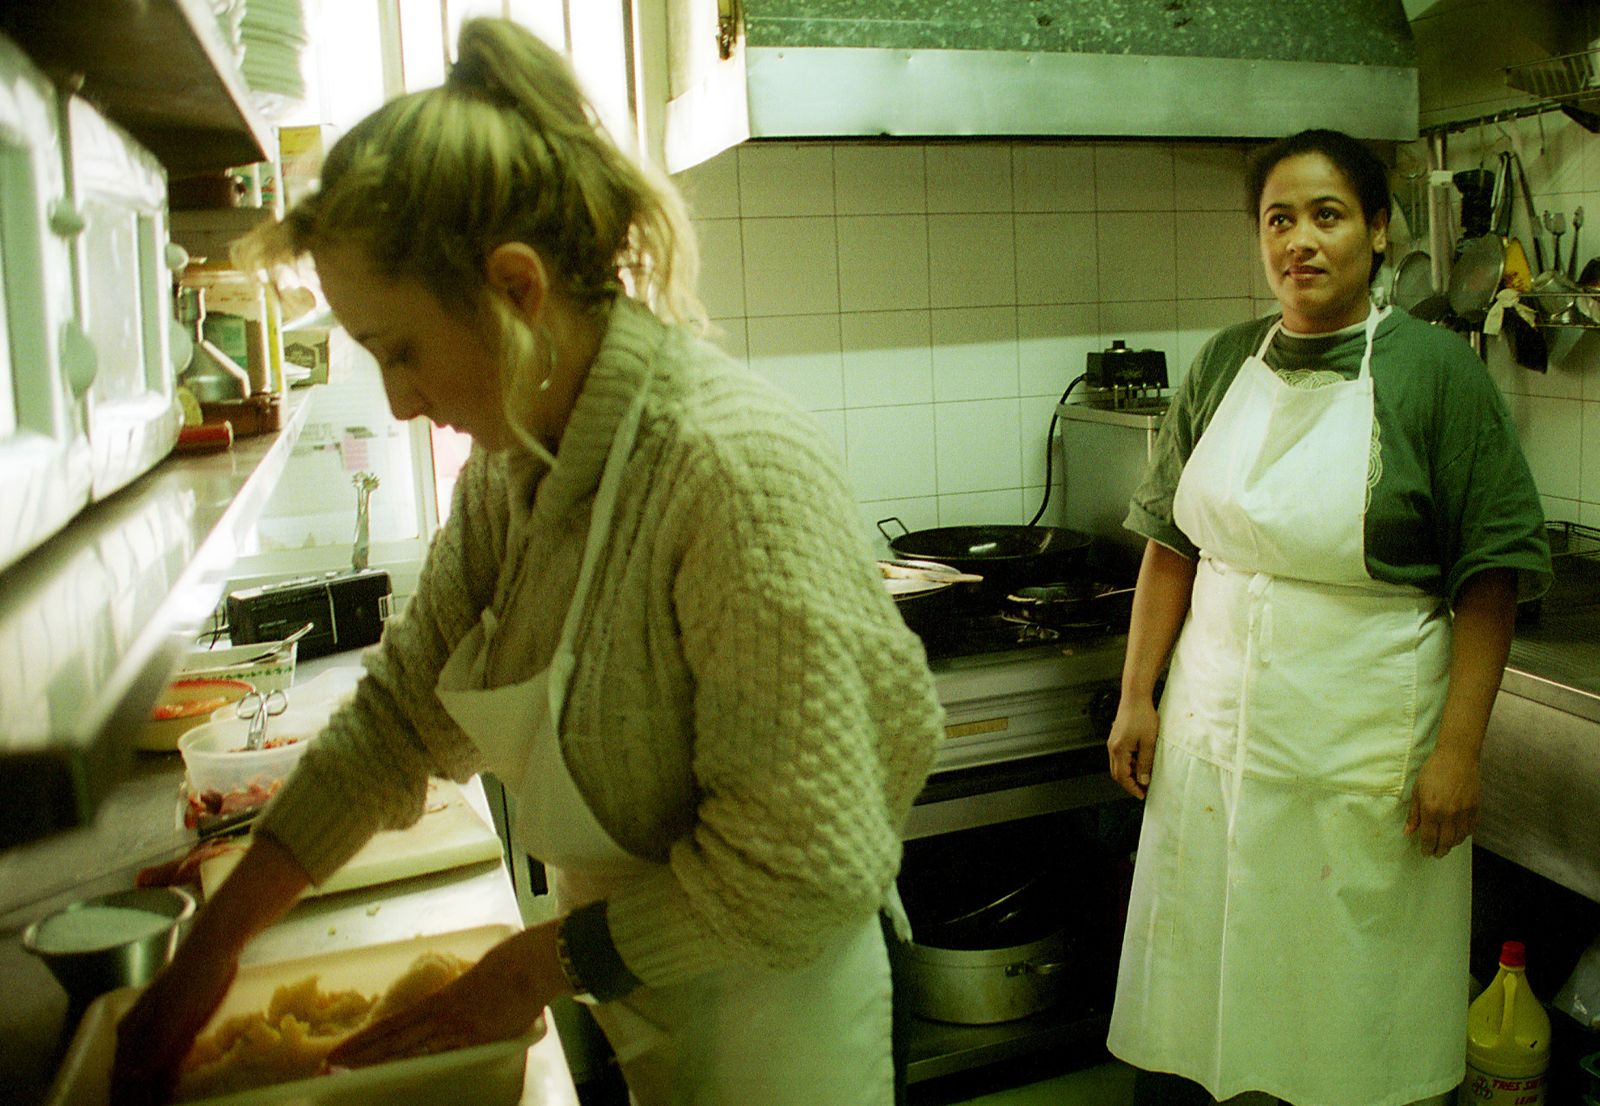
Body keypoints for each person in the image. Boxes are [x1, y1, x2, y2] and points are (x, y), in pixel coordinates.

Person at [112, 18, 942, 1106]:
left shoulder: (724, 476)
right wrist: (212, 945)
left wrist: (531, 967)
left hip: (777, 1012)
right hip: (646, 983)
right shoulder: (518, 468)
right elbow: (400, 716)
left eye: (400, 349)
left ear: (514, 289)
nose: (400, 400)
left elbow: (801, 861)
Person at [1104, 128, 1551, 1106]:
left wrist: (1458, 750)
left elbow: (1490, 578)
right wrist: (1137, 693)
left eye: (1326, 214)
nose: (1298, 239)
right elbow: (1169, 545)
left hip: (1355, 761)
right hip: (1214, 746)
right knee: (1209, 998)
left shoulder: (1437, 375)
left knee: (1349, 1020)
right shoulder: (1223, 361)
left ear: (1378, 231)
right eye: (1277, 218)